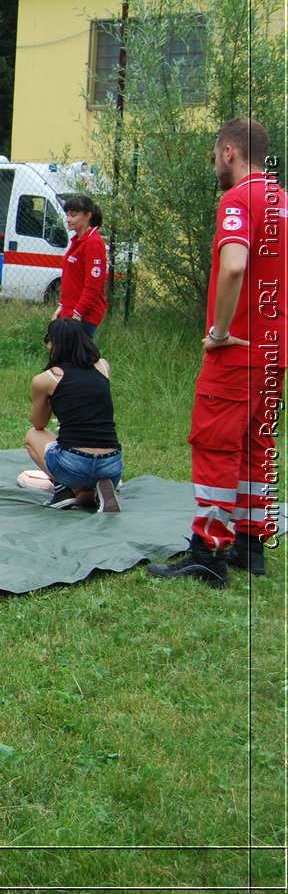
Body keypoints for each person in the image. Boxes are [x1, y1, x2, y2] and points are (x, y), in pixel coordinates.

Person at [151, 118, 284, 587]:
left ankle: (207, 551)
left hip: (238, 352)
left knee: (214, 446)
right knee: (255, 447)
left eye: (214, 155)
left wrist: (219, 330)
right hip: (272, 351)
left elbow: (234, 267)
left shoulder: (239, 199)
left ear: (229, 152)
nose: (215, 165)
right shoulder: (281, 201)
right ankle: (249, 545)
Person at [25, 318, 121, 511]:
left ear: (55, 344)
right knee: (83, 497)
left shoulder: (46, 379)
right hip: (112, 465)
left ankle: (61, 489)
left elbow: (39, 423)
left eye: (47, 339)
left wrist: (50, 401)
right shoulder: (103, 367)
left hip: (74, 462)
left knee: (32, 435)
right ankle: (98, 490)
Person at [53, 194, 108, 337]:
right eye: (67, 215)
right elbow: (71, 279)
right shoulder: (78, 240)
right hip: (69, 311)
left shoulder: (93, 243)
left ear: (87, 216)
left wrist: (77, 314)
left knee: (80, 357)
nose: (68, 219)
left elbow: (93, 285)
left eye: (73, 215)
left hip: (83, 317)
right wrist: (62, 306)